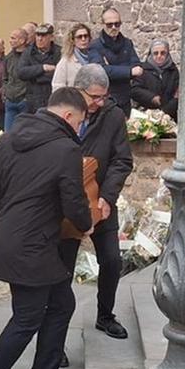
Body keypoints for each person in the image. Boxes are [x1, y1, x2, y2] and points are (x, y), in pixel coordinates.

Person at [0, 87, 93, 369]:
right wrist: (86, 225)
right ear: (68, 115)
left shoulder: (8, 139)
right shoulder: (66, 149)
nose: (79, 130)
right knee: (27, 317)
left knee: (62, 303)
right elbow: (73, 201)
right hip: (32, 245)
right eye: (79, 123)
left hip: (13, 238)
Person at [59, 65, 133, 339]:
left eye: (104, 96)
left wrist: (107, 196)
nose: (99, 103)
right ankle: (56, 334)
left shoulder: (113, 116)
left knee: (112, 260)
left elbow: (122, 160)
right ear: (78, 90)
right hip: (67, 203)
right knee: (62, 268)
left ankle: (105, 315)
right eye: (94, 97)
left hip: (101, 199)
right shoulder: (63, 110)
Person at [88, 7, 143, 116]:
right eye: (109, 25)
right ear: (103, 24)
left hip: (125, 98)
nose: (113, 27)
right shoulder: (95, 46)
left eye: (117, 24)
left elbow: (137, 67)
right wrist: (129, 71)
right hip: (106, 100)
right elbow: (100, 71)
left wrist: (112, 69)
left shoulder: (127, 43)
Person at [131, 38, 180, 119]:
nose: (159, 56)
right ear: (151, 54)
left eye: (163, 53)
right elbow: (135, 90)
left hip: (168, 116)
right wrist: (151, 97)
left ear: (167, 54)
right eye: (155, 53)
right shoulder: (143, 70)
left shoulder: (173, 71)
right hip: (146, 115)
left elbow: (176, 95)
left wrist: (164, 112)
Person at [18, 23, 61, 112]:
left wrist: (34, 76)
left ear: (51, 37)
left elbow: (59, 75)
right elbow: (21, 72)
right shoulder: (28, 52)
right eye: (38, 35)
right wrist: (43, 68)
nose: (40, 39)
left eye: (43, 36)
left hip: (52, 99)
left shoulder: (59, 52)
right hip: (32, 101)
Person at [52, 22, 102, 89]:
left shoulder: (97, 57)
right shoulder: (66, 61)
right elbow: (57, 86)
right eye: (79, 37)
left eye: (85, 36)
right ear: (73, 40)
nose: (83, 39)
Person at [1, 28, 29, 130]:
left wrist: (27, 97)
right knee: (8, 133)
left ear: (22, 40)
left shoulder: (29, 56)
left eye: (13, 38)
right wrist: (5, 92)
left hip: (24, 100)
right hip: (10, 101)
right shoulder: (8, 57)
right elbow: (5, 78)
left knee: (23, 132)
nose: (10, 41)